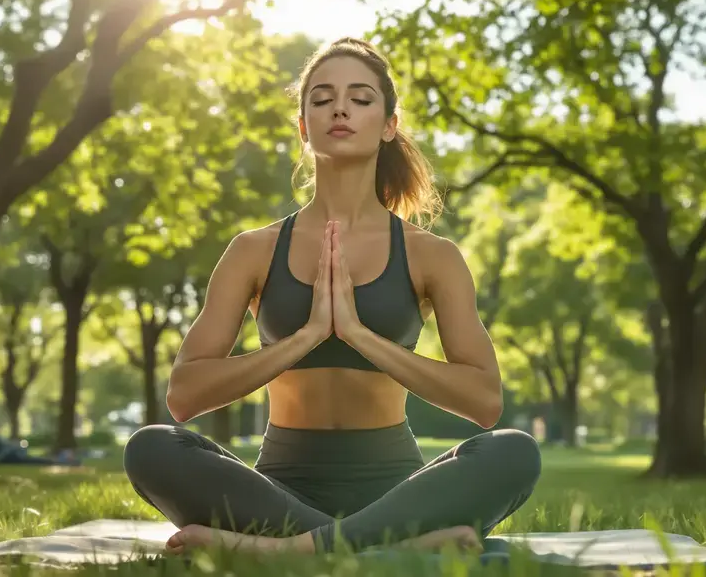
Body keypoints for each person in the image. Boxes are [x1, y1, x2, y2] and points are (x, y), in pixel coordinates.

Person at [122, 37, 541, 555]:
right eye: (322, 99)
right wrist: (307, 336)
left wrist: (361, 336)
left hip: (397, 493)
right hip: (278, 493)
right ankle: (387, 550)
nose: (340, 108)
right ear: (303, 126)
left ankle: (292, 552)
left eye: (360, 99)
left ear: (389, 125)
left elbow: (485, 402)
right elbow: (184, 396)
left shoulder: (431, 255)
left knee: (514, 452)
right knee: (152, 448)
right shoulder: (253, 251)